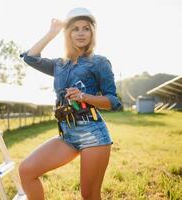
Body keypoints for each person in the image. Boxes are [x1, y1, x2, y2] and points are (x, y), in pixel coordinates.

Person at [19, 7, 122, 200]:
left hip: (93, 135)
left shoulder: (99, 62)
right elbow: (30, 58)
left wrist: (84, 97)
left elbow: (114, 101)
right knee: (26, 171)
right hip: (67, 135)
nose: (81, 33)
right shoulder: (59, 64)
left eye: (86, 28)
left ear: (92, 32)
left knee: (89, 195)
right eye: (75, 28)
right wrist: (52, 32)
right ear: (68, 33)